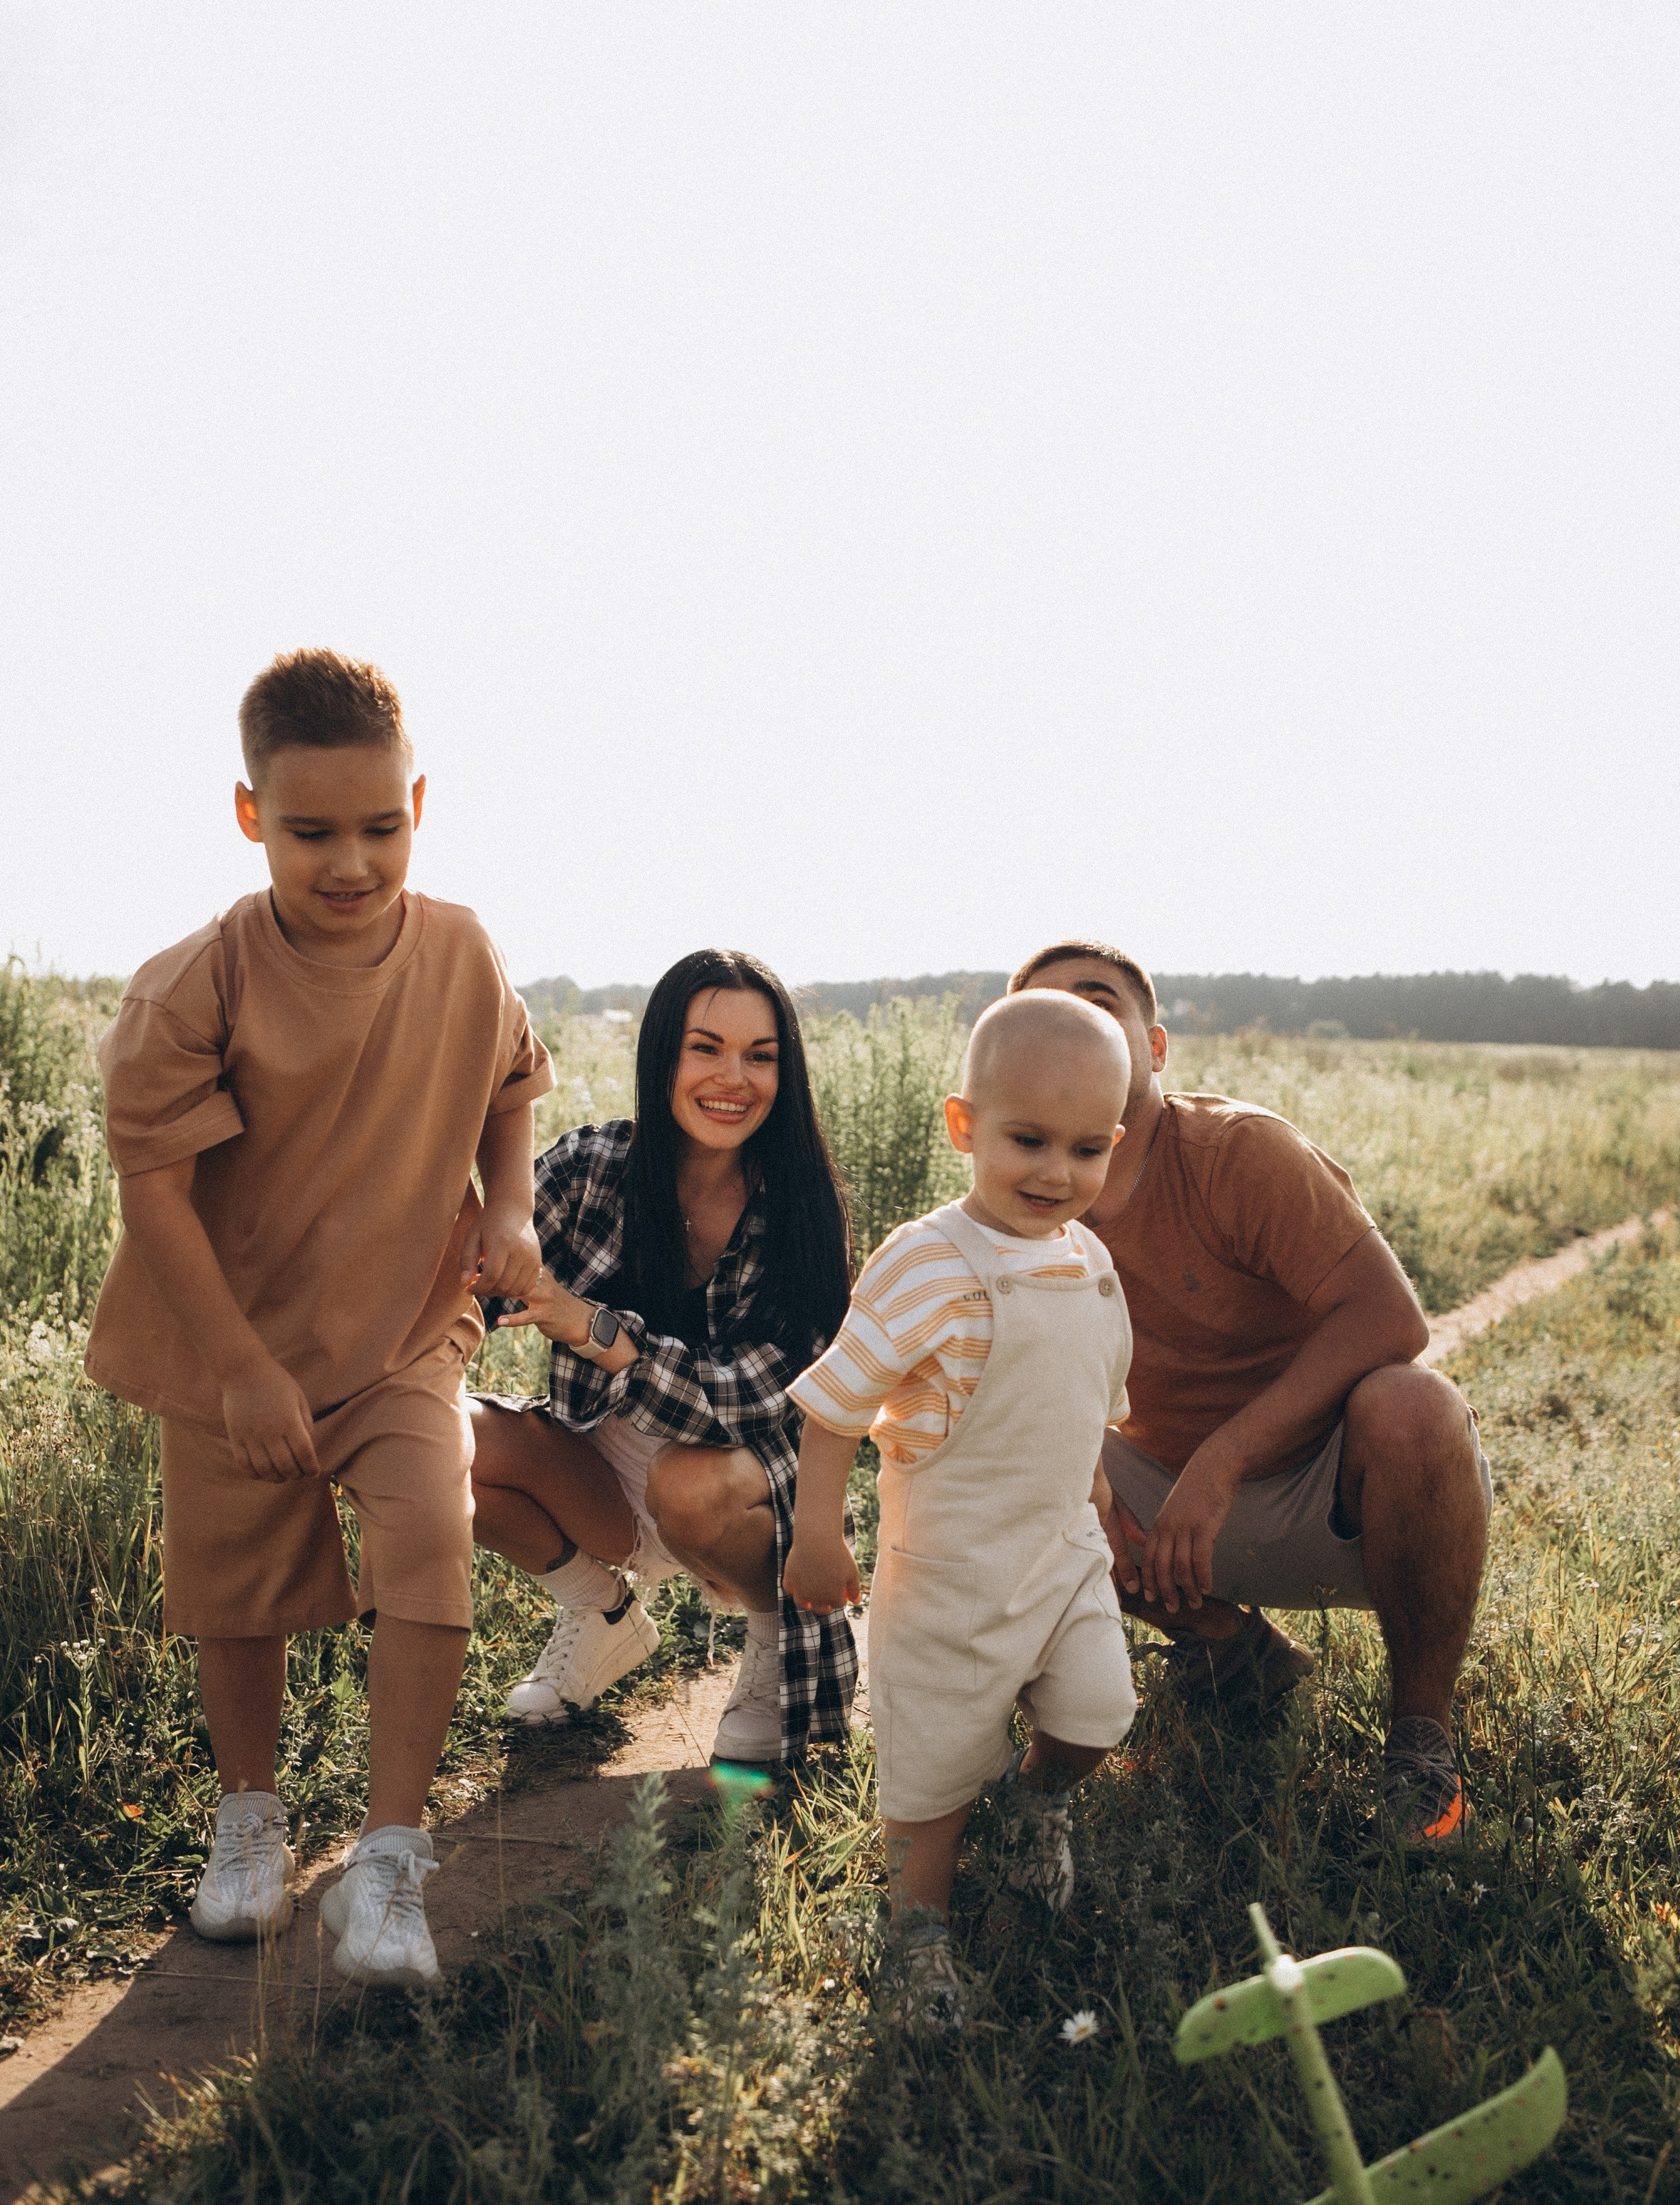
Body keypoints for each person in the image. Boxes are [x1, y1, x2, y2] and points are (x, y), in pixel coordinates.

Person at [84, 650, 551, 1989]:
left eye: (379, 827)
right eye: (310, 833)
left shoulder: (460, 948)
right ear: (250, 818)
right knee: (237, 1594)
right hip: (230, 1343)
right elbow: (158, 1196)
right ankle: (250, 1824)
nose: (350, 863)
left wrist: (507, 1208)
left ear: (419, 802)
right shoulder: (196, 987)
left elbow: (511, 1079)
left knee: (431, 1537)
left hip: (405, 1326)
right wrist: (237, 1368)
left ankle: (389, 1862)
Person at [1008, 941, 1493, 1849]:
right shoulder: (1020, 1197)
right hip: (1165, 1507)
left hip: (1331, 1485)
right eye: (1046, 1016)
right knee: (1000, 1450)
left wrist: (1224, 1459)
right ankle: (1236, 1656)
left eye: (1095, 1003)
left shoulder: (1238, 1151)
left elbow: (1392, 1318)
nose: (1072, 1026)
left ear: (1153, 1048)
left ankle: (1422, 1742)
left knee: (1416, 1407)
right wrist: (1084, 1485)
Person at [783, 990, 1137, 2025]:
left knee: (1099, 1712)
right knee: (931, 1782)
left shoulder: (1091, 1262)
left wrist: (1100, 1483)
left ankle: (1038, 1804)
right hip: (953, 1571)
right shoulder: (930, 1262)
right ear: (963, 1126)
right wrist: (817, 1527)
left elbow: (1091, 1398)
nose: (1056, 1174)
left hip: (1063, 1552)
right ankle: (918, 1936)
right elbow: (835, 1404)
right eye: (1028, 1140)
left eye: (1085, 1149)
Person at [467, 948, 857, 1768]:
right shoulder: (591, 1165)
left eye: (760, 1056)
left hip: (735, 1483)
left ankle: (765, 1635)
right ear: (662, 1056)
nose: (733, 1077)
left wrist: (595, 1331)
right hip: (602, 1466)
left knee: (687, 1477)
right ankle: (602, 1612)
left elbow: (760, 1402)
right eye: (705, 1047)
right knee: (445, 1438)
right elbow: (477, 1278)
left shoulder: (799, 1202)